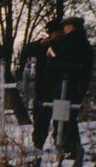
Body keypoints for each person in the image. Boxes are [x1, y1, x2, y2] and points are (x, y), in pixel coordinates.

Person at [48, 16, 94, 163]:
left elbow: (68, 63)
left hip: (69, 86)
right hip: (73, 85)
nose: (64, 29)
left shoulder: (74, 42)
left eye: (66, 26)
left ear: (72, 27)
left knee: (65, 118)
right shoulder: (80, 42)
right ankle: (70, 149)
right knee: (66, 118)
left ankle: (70, 150)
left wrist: (53, 60)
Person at [17, 18, 65, 154]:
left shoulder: (66, 46)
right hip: (43, 88)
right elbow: (26, 49)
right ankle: (38, 146)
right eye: (53, 33)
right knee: (40, 120)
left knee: (60, 120)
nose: (55, 35)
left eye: (57, 32)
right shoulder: (43, 45)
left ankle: (60, 148)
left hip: (60, 88)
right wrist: (40, 44)